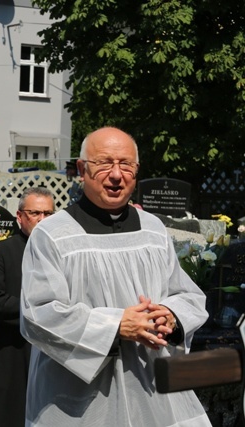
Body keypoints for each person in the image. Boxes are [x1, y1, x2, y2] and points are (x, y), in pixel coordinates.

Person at [20, 127, 210, 426]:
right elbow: (39, 314)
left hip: (151, 387)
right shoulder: (52, 234)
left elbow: (186, 294)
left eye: (126, 165)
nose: (116, 174)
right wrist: (116, 325)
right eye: (105, 163)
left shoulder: (153, 230)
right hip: (81, 397)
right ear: (82, 169)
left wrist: (171, 317)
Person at [0, 187, 54, 427]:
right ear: (19, 216)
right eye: (35, 213)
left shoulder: (62, 254)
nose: (42, 220)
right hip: (9, 349)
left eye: (48, 214)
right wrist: (38, 308)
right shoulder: (0, 253)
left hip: (49, 347)